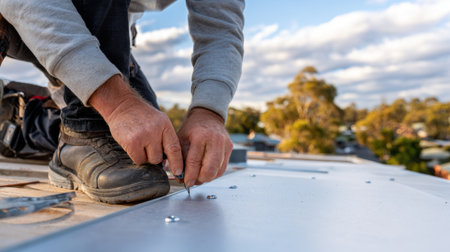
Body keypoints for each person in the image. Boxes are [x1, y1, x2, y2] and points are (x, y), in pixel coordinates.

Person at [0, 0, 244, 203]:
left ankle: (26, 122)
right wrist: (117, 105)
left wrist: (208, 112)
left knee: (142, 143)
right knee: (107, 126)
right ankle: (84, 129)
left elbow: (221, 31)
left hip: (98, 27)